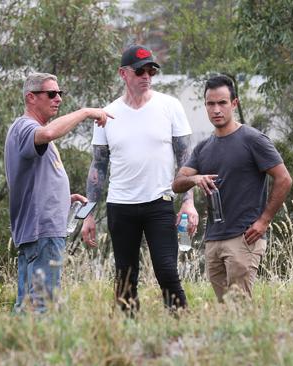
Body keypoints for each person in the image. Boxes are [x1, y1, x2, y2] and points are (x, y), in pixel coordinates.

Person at [81, 45, 197, 312]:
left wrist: (188, 203)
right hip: (120, 204)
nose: (147, 76)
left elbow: (186, 161)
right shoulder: (107, 114)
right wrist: (87, 214)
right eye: (140, 71)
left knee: (167, 270)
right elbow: (98, 166)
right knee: (125, 277)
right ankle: (128, 332)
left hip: (160, 201)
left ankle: (181, 325)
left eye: (151, 71)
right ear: (123, 73)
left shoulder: (170, 106)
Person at [172, 75, 293, 302]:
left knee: (239, 306)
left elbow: (284, 179)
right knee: (225, 308)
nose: (216, 109)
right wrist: (195, 178)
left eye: (222, 103)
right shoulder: (203, 148)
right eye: (210, 104)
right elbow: (177, 183)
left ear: (234, 104)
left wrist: (264, 221)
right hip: (213, 239)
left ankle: (255, 337)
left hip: (244, 237)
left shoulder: (253, 139)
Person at [4, 72, 112, 313]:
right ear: (31, 97)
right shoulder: (26, 127)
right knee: (43, 305)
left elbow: (34, 178)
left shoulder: (30, 131)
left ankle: (16, 347)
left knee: (27, 305)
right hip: (41, 230)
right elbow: (49, 133)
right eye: (51, 94)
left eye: (60, 93)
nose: (58, 99)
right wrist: (86, 112)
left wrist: (65, 199)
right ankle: (38, 348)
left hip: (40, 230)